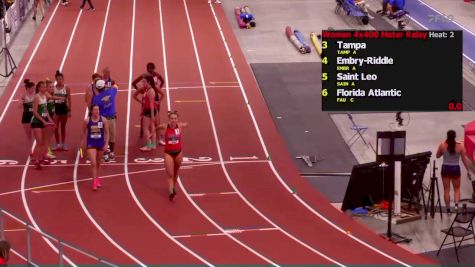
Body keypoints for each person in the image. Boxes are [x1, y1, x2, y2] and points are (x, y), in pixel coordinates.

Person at [436, 130, 475, 213]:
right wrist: (468, 171)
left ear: (447, 136)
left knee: (446, 190)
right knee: (457, 189)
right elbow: (464, 160)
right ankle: (456, 206)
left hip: (445, 168)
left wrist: (442, 152)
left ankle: (448, 209)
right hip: (455, 168)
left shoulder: (442, 145)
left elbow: (437, 156)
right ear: (455, 136)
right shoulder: (460, 146)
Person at [158, 111, 187, 201]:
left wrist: (186, 124)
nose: (173, 120)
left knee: (176, 171)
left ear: (177, 119)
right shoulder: (165, 126)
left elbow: (187, 124)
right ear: (169, 119)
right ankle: (171, 192)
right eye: (172, 118)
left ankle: (173, 186)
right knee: (170, 174)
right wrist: (154, 135)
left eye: (175, 118)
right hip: (168, 153)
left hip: (178, 152)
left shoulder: (180, 126)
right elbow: (156, 128)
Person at [132, 63, 165, 142]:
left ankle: (156, 136)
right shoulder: (144, 77)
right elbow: (133, 83)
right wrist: (142, 93)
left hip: (155, 99)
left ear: (154, 69)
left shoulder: (156, 76)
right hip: (148, 99)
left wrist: (158, 89)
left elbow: (162, 81)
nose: (150, 70)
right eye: (149, 69)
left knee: (156, 118)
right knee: (145, 117)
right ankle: (143, 131)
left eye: (151, 69)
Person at [82, 104, 109, 191]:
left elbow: (107, 133)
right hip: (91, 143)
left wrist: (106, 144)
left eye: (98, 110)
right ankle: (94, 182)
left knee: (98, 163)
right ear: (91, 111)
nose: (97, 111)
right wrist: (82, 144)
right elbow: (83, 133)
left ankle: (97, 178)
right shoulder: (87, 121)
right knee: (93, 163)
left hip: (100, 143)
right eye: (95, 110)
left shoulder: (103, 120)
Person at [91, 79, 118, 162]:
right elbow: (116, 86)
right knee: (112, 136)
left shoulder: (96, 98)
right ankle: (112, 153)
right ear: (104, 86)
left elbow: (94, 109)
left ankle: (105, 154)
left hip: (102, 120)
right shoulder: (111, 92)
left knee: (103, 137)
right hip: (111, 118)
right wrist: (110, 83)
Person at [31, 81, 56, 169]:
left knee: (43, 142)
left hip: (42, 121)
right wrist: (43, 121)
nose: (45, 88)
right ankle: (36, 161)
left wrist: (50, 120)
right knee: (39, 142)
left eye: (45, 87)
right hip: (36, 122)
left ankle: (41, 158)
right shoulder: (36, 97)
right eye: (43, 87)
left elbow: (45, 110)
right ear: (39, 88)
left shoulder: (44, 96)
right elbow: (34, 112)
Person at [133, 76, 157, 151]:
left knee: (145, 128)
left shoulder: (150, 91)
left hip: (149, 111)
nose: (142, 83)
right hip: (148, 110)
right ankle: (153, 145)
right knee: (152, 127)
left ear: (149, 82)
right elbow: (145, 102)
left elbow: (151, 104)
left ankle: (149, 146)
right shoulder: (148, 89)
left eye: (144, 81)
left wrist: (152, 115)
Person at [52, 70, 72, 151]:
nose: (59, 80)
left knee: (63, 127)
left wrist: (69, 110)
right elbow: (51, 99)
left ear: (63, 79)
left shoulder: (66, 88)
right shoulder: (53, 89)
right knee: (55, 127)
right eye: (58, 79)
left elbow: (69, 99)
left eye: (61, 79)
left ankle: (63, 144)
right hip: (56, 108)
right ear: (56, 80)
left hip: (64, 108)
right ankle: (57, 144)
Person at [20, 79, 35, 154]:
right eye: (33, 88)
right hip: (26, 117)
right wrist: (21, 100)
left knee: (37, 133)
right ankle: (30, 151)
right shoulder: (24, 95)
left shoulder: (35, 94)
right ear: (28, 88)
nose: (34, 89)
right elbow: (19, 106)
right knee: (29, 136)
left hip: (34, 115)